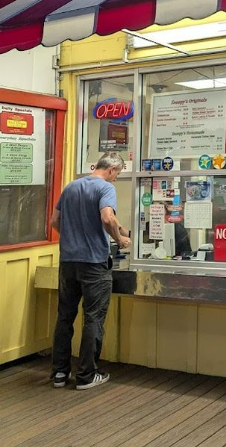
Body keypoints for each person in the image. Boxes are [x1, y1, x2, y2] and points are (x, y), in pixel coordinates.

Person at [50, 152, 130, 390]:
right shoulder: (105, 188)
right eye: (118, 175)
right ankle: (86, 375)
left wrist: (73, 238)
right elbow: (107, 218)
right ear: (113, 170)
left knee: (65, 317)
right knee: (93, 317)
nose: (116, 179)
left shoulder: (71, 187)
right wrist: (120, 239)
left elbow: (55, 221)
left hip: (68, 262)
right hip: (94, 264)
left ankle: (59, 374)